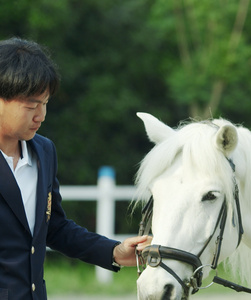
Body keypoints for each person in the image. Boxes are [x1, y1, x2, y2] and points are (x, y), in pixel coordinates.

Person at [0, 37, 150, 300]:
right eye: (32, 106)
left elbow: (54, 227)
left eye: (45, 104)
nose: (41, 116)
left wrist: (113, 251)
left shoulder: (44, 151)